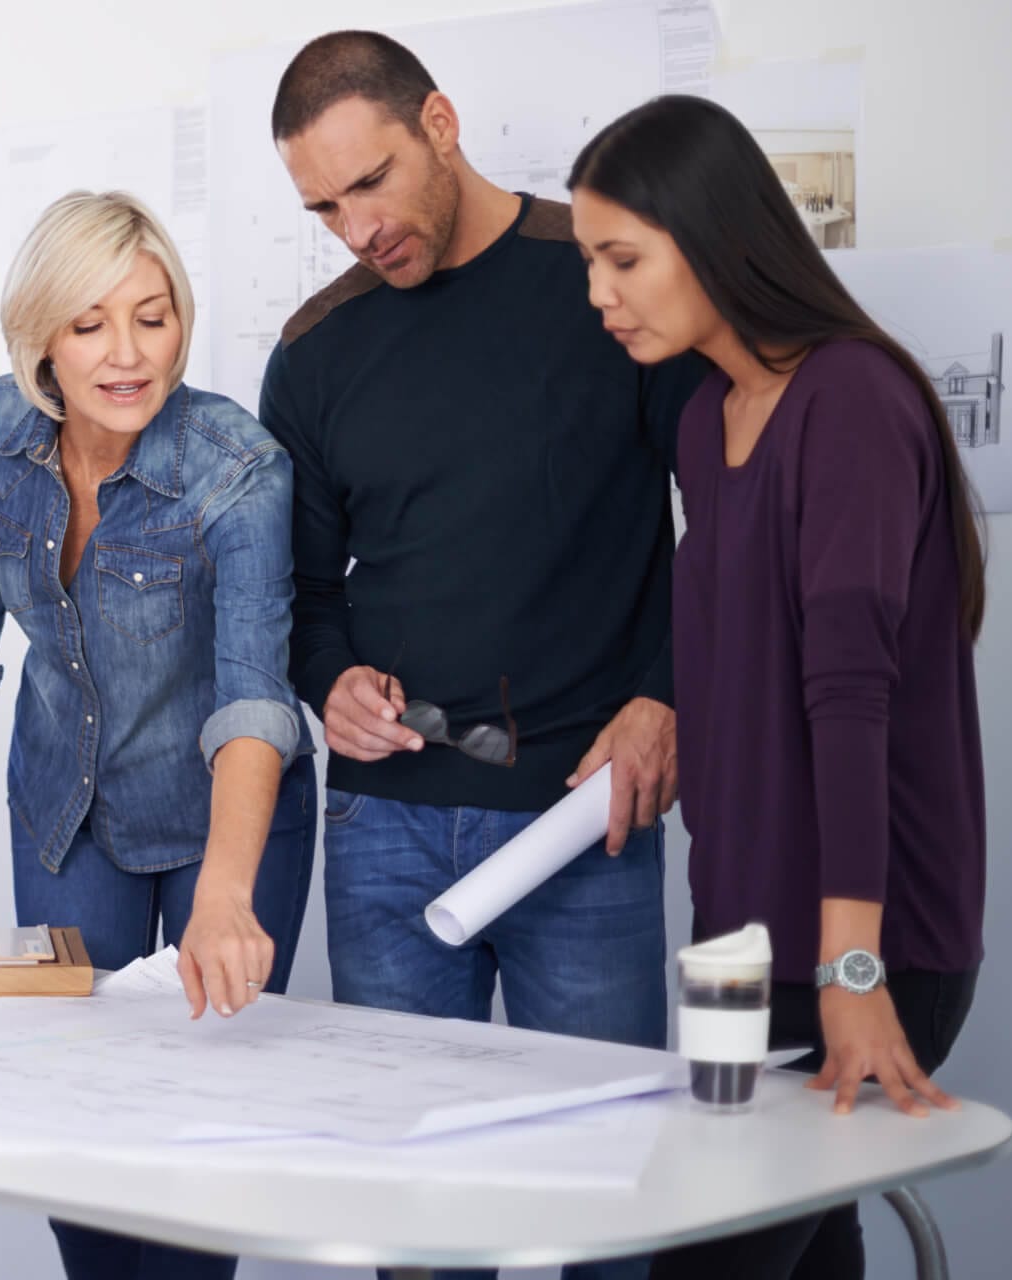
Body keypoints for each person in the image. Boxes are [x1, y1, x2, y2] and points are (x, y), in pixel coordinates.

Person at [260, 35, 708, 1279]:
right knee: (422, 1225)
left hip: (584, 821)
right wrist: (329, 680)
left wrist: (666, 692)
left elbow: (718, 524)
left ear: (442, 123)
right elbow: (300, 596)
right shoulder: (312, 351)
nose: (357, 226)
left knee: (612, 1208)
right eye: (323, 205)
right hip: (386, 837)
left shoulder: (605, 277)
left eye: (373, 181)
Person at [0, 190, 316, 1280]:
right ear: (40, 334)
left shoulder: (237, 466)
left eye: (154, 316)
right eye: (90, 324)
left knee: (195, 1139)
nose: (128, 354)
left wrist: (227, 893)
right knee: (78, 1130)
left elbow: (252, 698)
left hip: (219, 822)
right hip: (65, 811)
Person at [569, 94, 988, 1280]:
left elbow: (849, 702)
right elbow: (739, 661)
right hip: (737, 935)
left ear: (713, 236)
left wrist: (849, 973)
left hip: (862, 940)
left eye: (623, 259)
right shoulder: (707, 423)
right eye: (592, 262)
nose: (599, 294)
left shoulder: (850, 400)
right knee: (805, 1259)